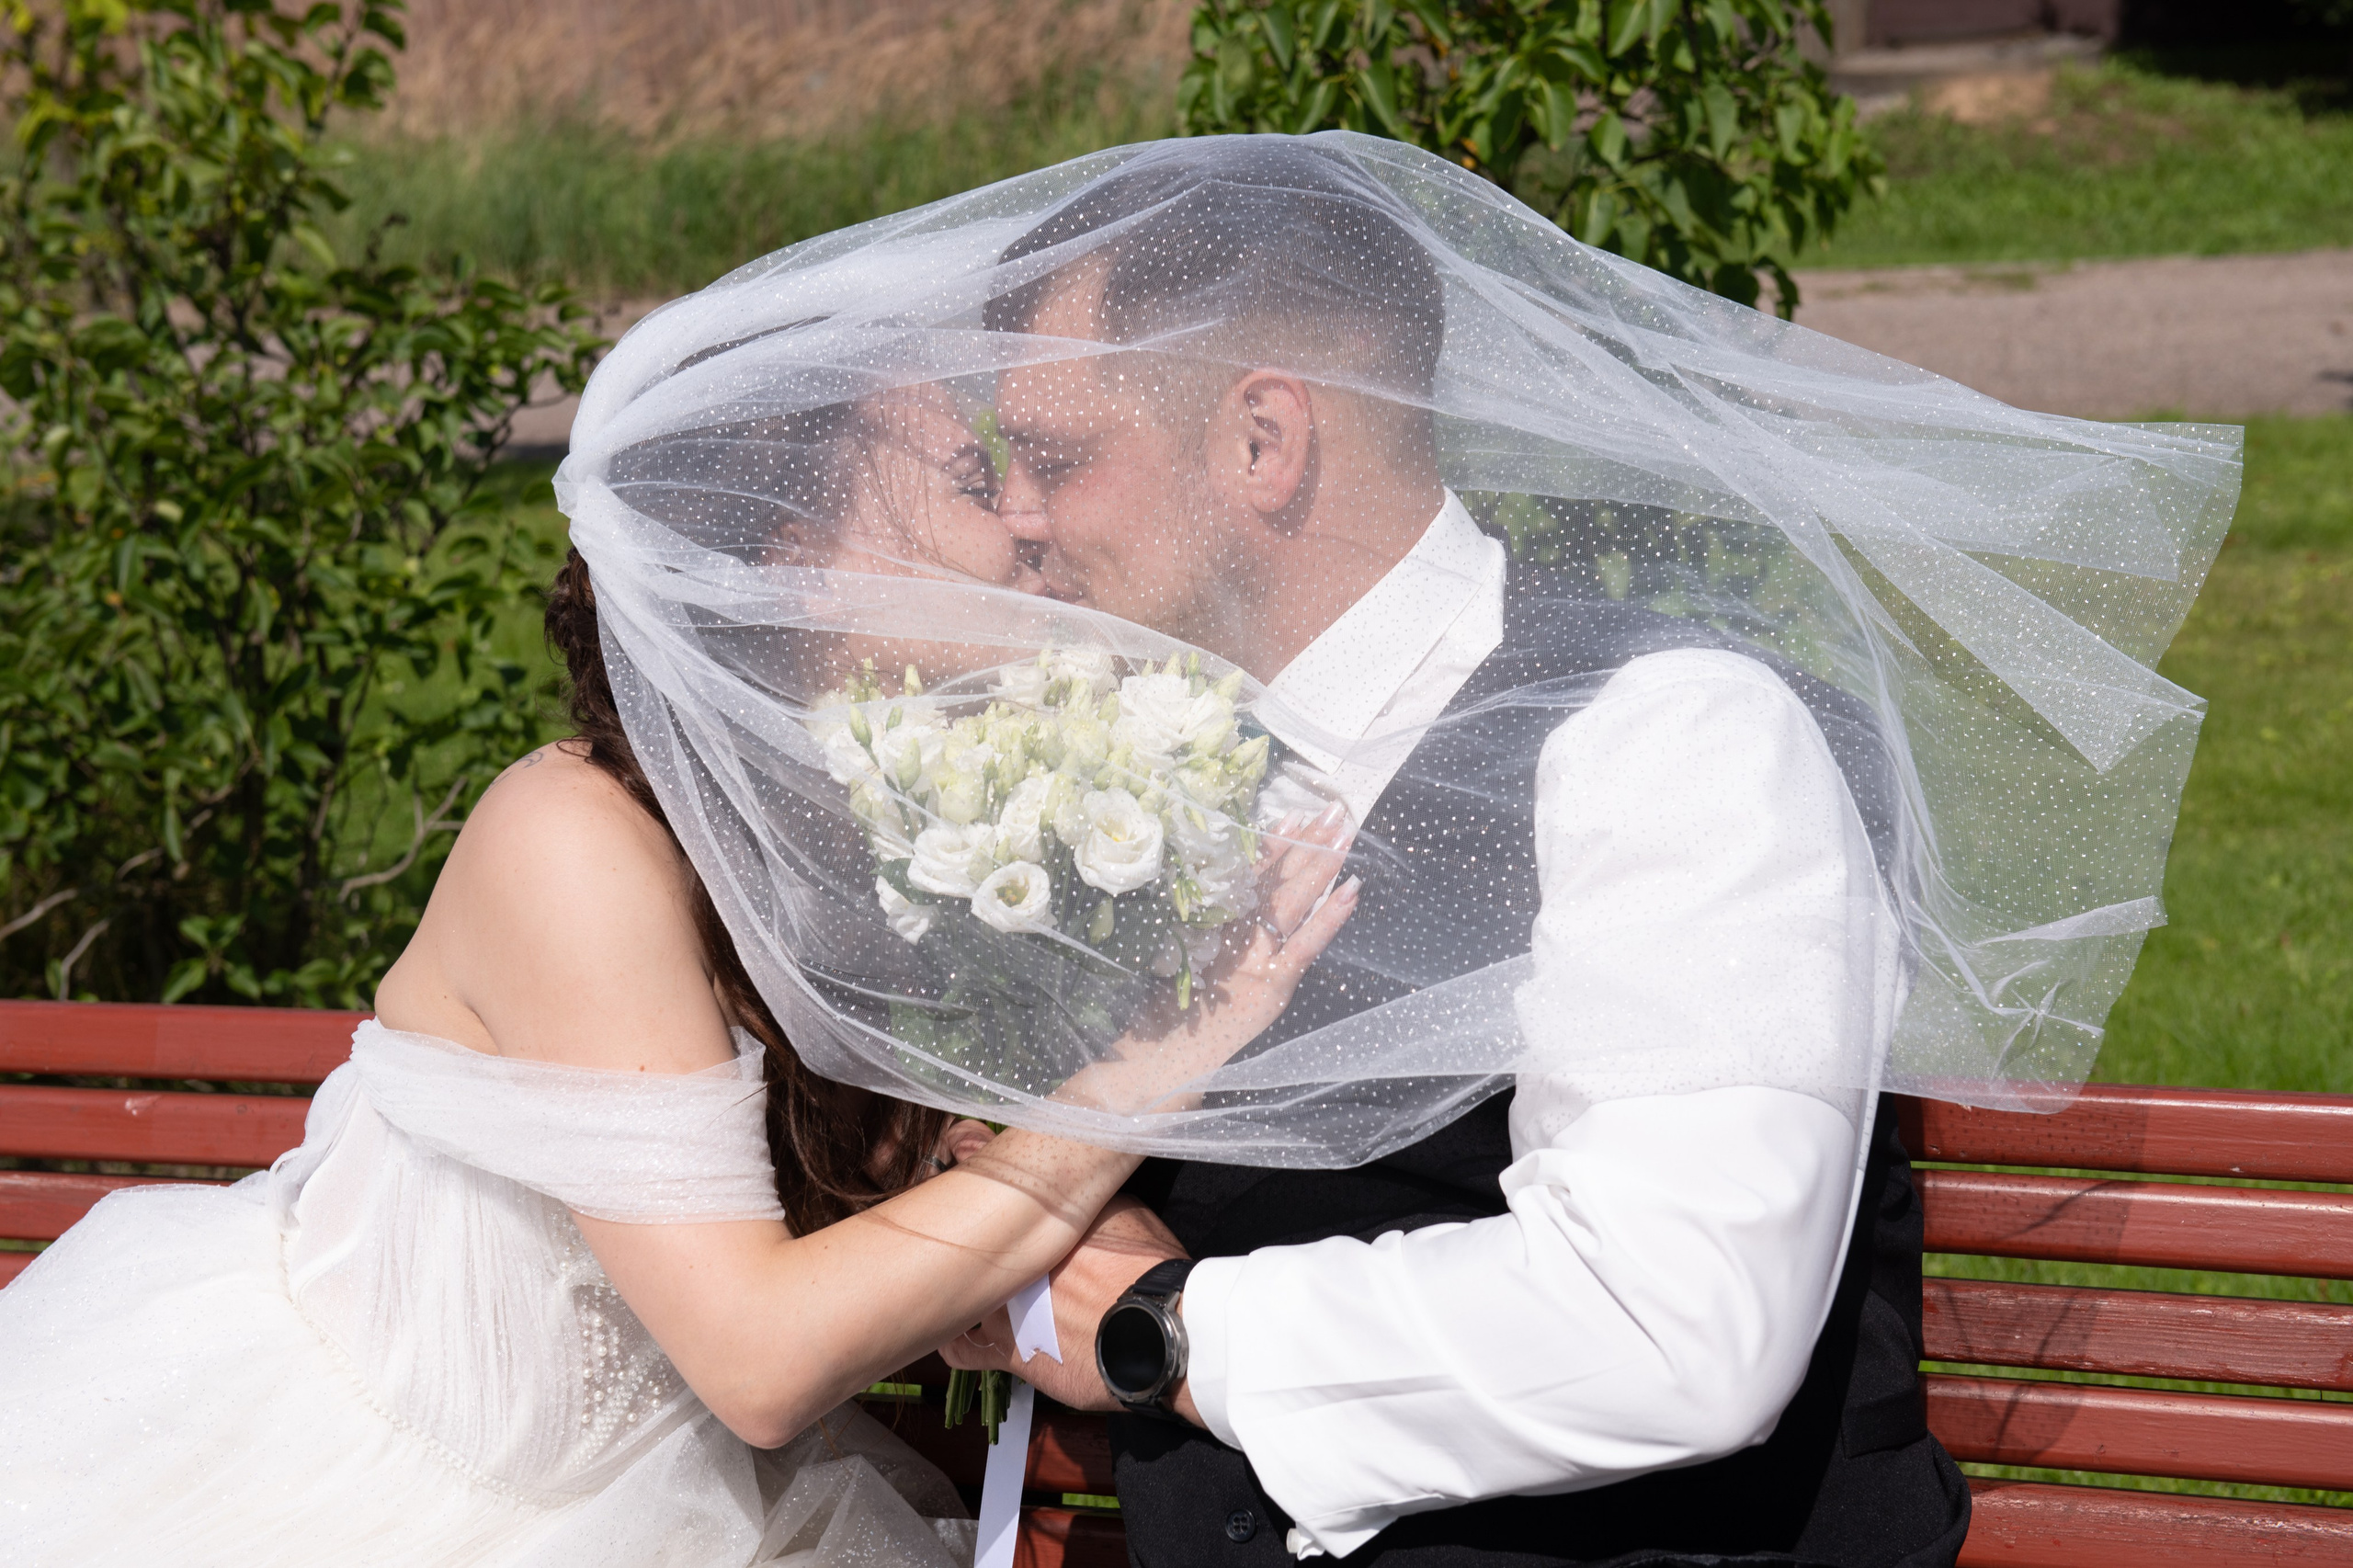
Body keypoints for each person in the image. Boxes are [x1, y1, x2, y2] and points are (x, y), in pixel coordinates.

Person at [0, 380, 1356, 1567]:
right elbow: (759, 1359)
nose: (1025, 517)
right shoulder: (573, 842)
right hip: (382, 1507)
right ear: (796, 563)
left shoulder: (877, 824)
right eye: (967, 475)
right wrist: (1140, 1081)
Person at [937, 141, 1972, 1568]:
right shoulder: (1144, 776)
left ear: (1262, 440)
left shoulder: (1671, 737)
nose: (1015, 516)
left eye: (1054, 459)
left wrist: (1168, 1330)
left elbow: (1674, 1326)